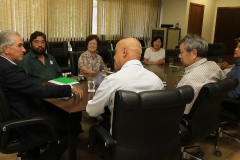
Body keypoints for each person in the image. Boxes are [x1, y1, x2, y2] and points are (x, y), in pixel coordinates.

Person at [0, 30, 83, 160]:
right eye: (20, 45)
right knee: (74, 126)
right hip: (24, 120)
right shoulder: (9, 70)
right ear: (6, 49)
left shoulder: (4, 65)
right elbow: (39, 90)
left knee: (63, 115)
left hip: (19, 112)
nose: (23, 49)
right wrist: (69, 89)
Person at [86, 38, 164, 132]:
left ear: (124, 51)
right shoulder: (157, 81)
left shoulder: (112, 81)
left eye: (115, 52)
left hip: (122, 140)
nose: (114, 56)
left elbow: (92, 111)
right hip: (151, 138)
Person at [176, 34, 225, 115]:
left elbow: (182, 111)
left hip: (186, 119)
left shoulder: (189, 80)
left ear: (194, 53)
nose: (179, 56)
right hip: (209, 115)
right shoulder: (214, 65)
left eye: (181, 52)